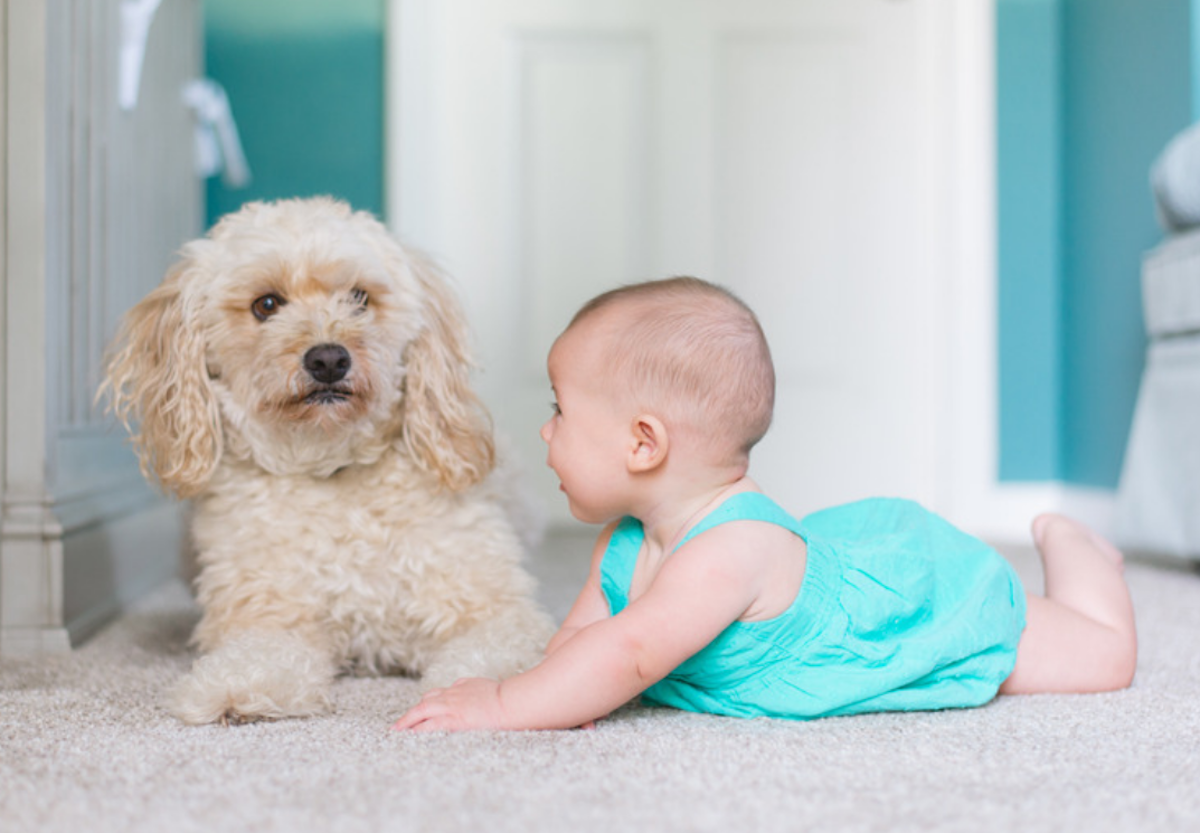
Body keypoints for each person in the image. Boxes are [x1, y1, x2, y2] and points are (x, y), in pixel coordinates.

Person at [393, 277, 1137, 731]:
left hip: (909, 602)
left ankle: (1074, 546)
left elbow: (628, 653)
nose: (546, 431)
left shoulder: (727, 553)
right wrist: (551, 692)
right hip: (827, 561)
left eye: (562, 412)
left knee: (1104, 658)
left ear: (643, 444)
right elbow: (584, 642)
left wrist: (502, 705)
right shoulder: (624, 541)